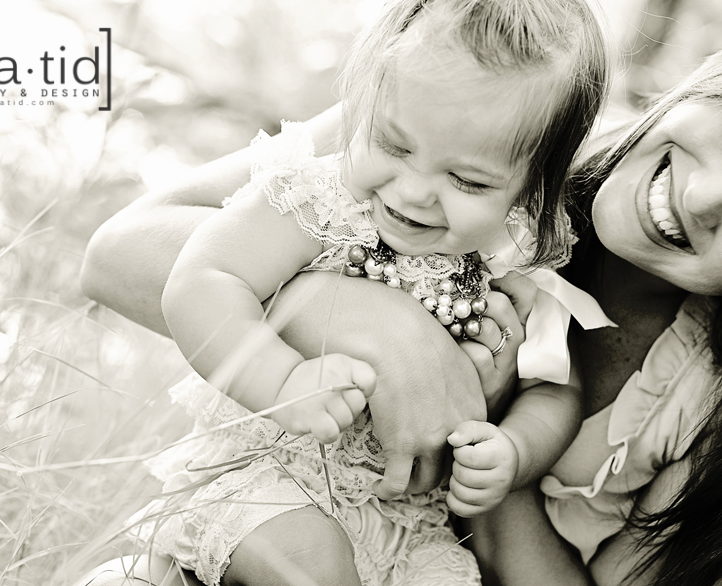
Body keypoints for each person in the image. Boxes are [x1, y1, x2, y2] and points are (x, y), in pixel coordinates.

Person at [77, 1, 613, 585]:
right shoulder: (324, 202)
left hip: (406, 526)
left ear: (533, 191)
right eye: (393, 145)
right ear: (361, 105)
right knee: (312, 558)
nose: (412, 191)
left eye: (467, 180)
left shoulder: (518, 258)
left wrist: (513, 451)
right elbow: (204, 278)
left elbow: (554, 390)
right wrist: (282, 380)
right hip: (275, 482)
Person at [465, 50, 722, 586]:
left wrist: (494, 426)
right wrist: (398, 336)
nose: (700, 198)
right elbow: (289, 203)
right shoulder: (510, 116)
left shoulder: (701, 406)